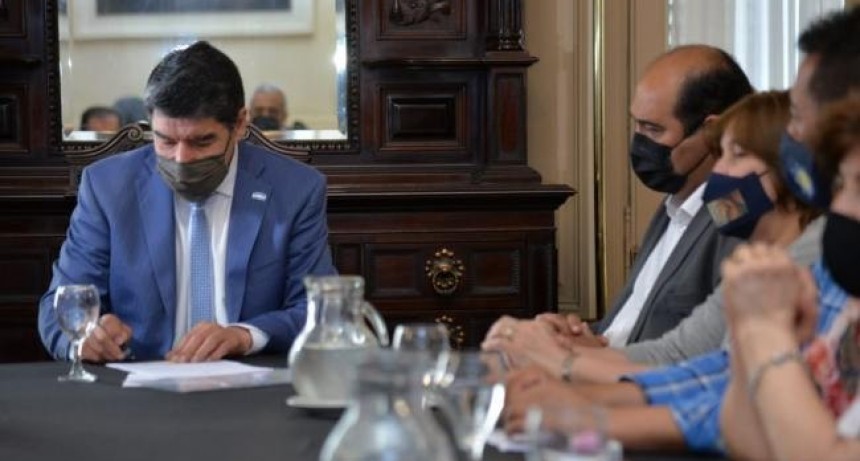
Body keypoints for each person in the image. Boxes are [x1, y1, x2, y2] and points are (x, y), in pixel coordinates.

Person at [502, 6, 860, 453]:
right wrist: (575, 380)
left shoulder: (772, 242)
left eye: (800, 121)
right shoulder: (688, 215)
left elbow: (728, 384)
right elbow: (726, 394)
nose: (720, 172)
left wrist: (572, 381)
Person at [38, 41, 337, 363]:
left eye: (202, 141)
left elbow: (319, 308)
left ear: (239, 124)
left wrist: (243, 336)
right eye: (166, 140)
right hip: (139, 379)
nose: (182, 158)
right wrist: (85, 339)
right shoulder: (107, 187)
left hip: (249, 378)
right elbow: (58, 307)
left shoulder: (295, 190)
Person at [484, 44, 751, 365]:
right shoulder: (675, 205)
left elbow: (708, 360)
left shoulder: (737, 213)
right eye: (637, 125)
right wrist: (579, 337)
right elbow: (632, 327)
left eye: (654, 129)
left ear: (711, 132)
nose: (640, 143)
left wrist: (570, 358)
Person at [721, 94, 860, 461]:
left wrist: (766, 332)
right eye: (841, 186)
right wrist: (746, 330)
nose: (839, 207)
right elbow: (750, 441)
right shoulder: (852, 317)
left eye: (859, 187)